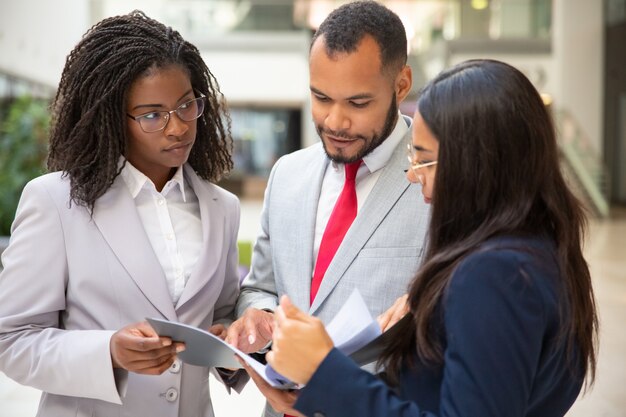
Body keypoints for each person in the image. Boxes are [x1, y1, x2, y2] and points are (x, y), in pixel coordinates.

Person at [262, 59, 600, 417]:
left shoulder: (494, 275)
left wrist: (322, 371)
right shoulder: (540, 249)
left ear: (477, 165)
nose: (411, 174)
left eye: (424, 160)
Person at [0, 11, 245, 417]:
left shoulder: (222, 208)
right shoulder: (55, 202)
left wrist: (233, 342)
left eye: (187, 105)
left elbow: (219, 316)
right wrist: (108, 352)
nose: (178, 128)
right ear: (112, 118)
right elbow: (13, 339)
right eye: (152, 115)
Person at [226, 1, 430, 416]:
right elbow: (261, 285)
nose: (335, 121)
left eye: (357, 103)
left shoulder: (436, 181)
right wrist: (258, 316)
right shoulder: (287, 175)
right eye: (321, 97)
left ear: (401, 84)